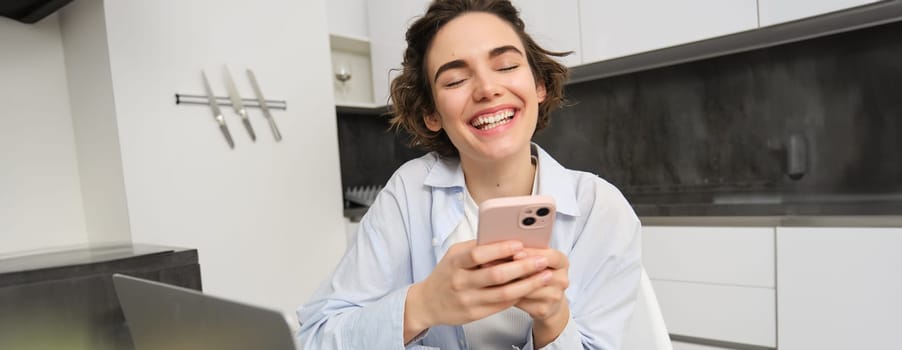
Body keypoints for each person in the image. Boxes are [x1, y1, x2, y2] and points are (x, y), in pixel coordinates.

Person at [298, 0, 641, 348]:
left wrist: (553, 320)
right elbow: (314, 337)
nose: (487, 89)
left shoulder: (601, 210)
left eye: (506, 65)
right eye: (456, 79)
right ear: (432, 113)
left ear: (539, 85)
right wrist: (424, 304)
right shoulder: (409, 193)